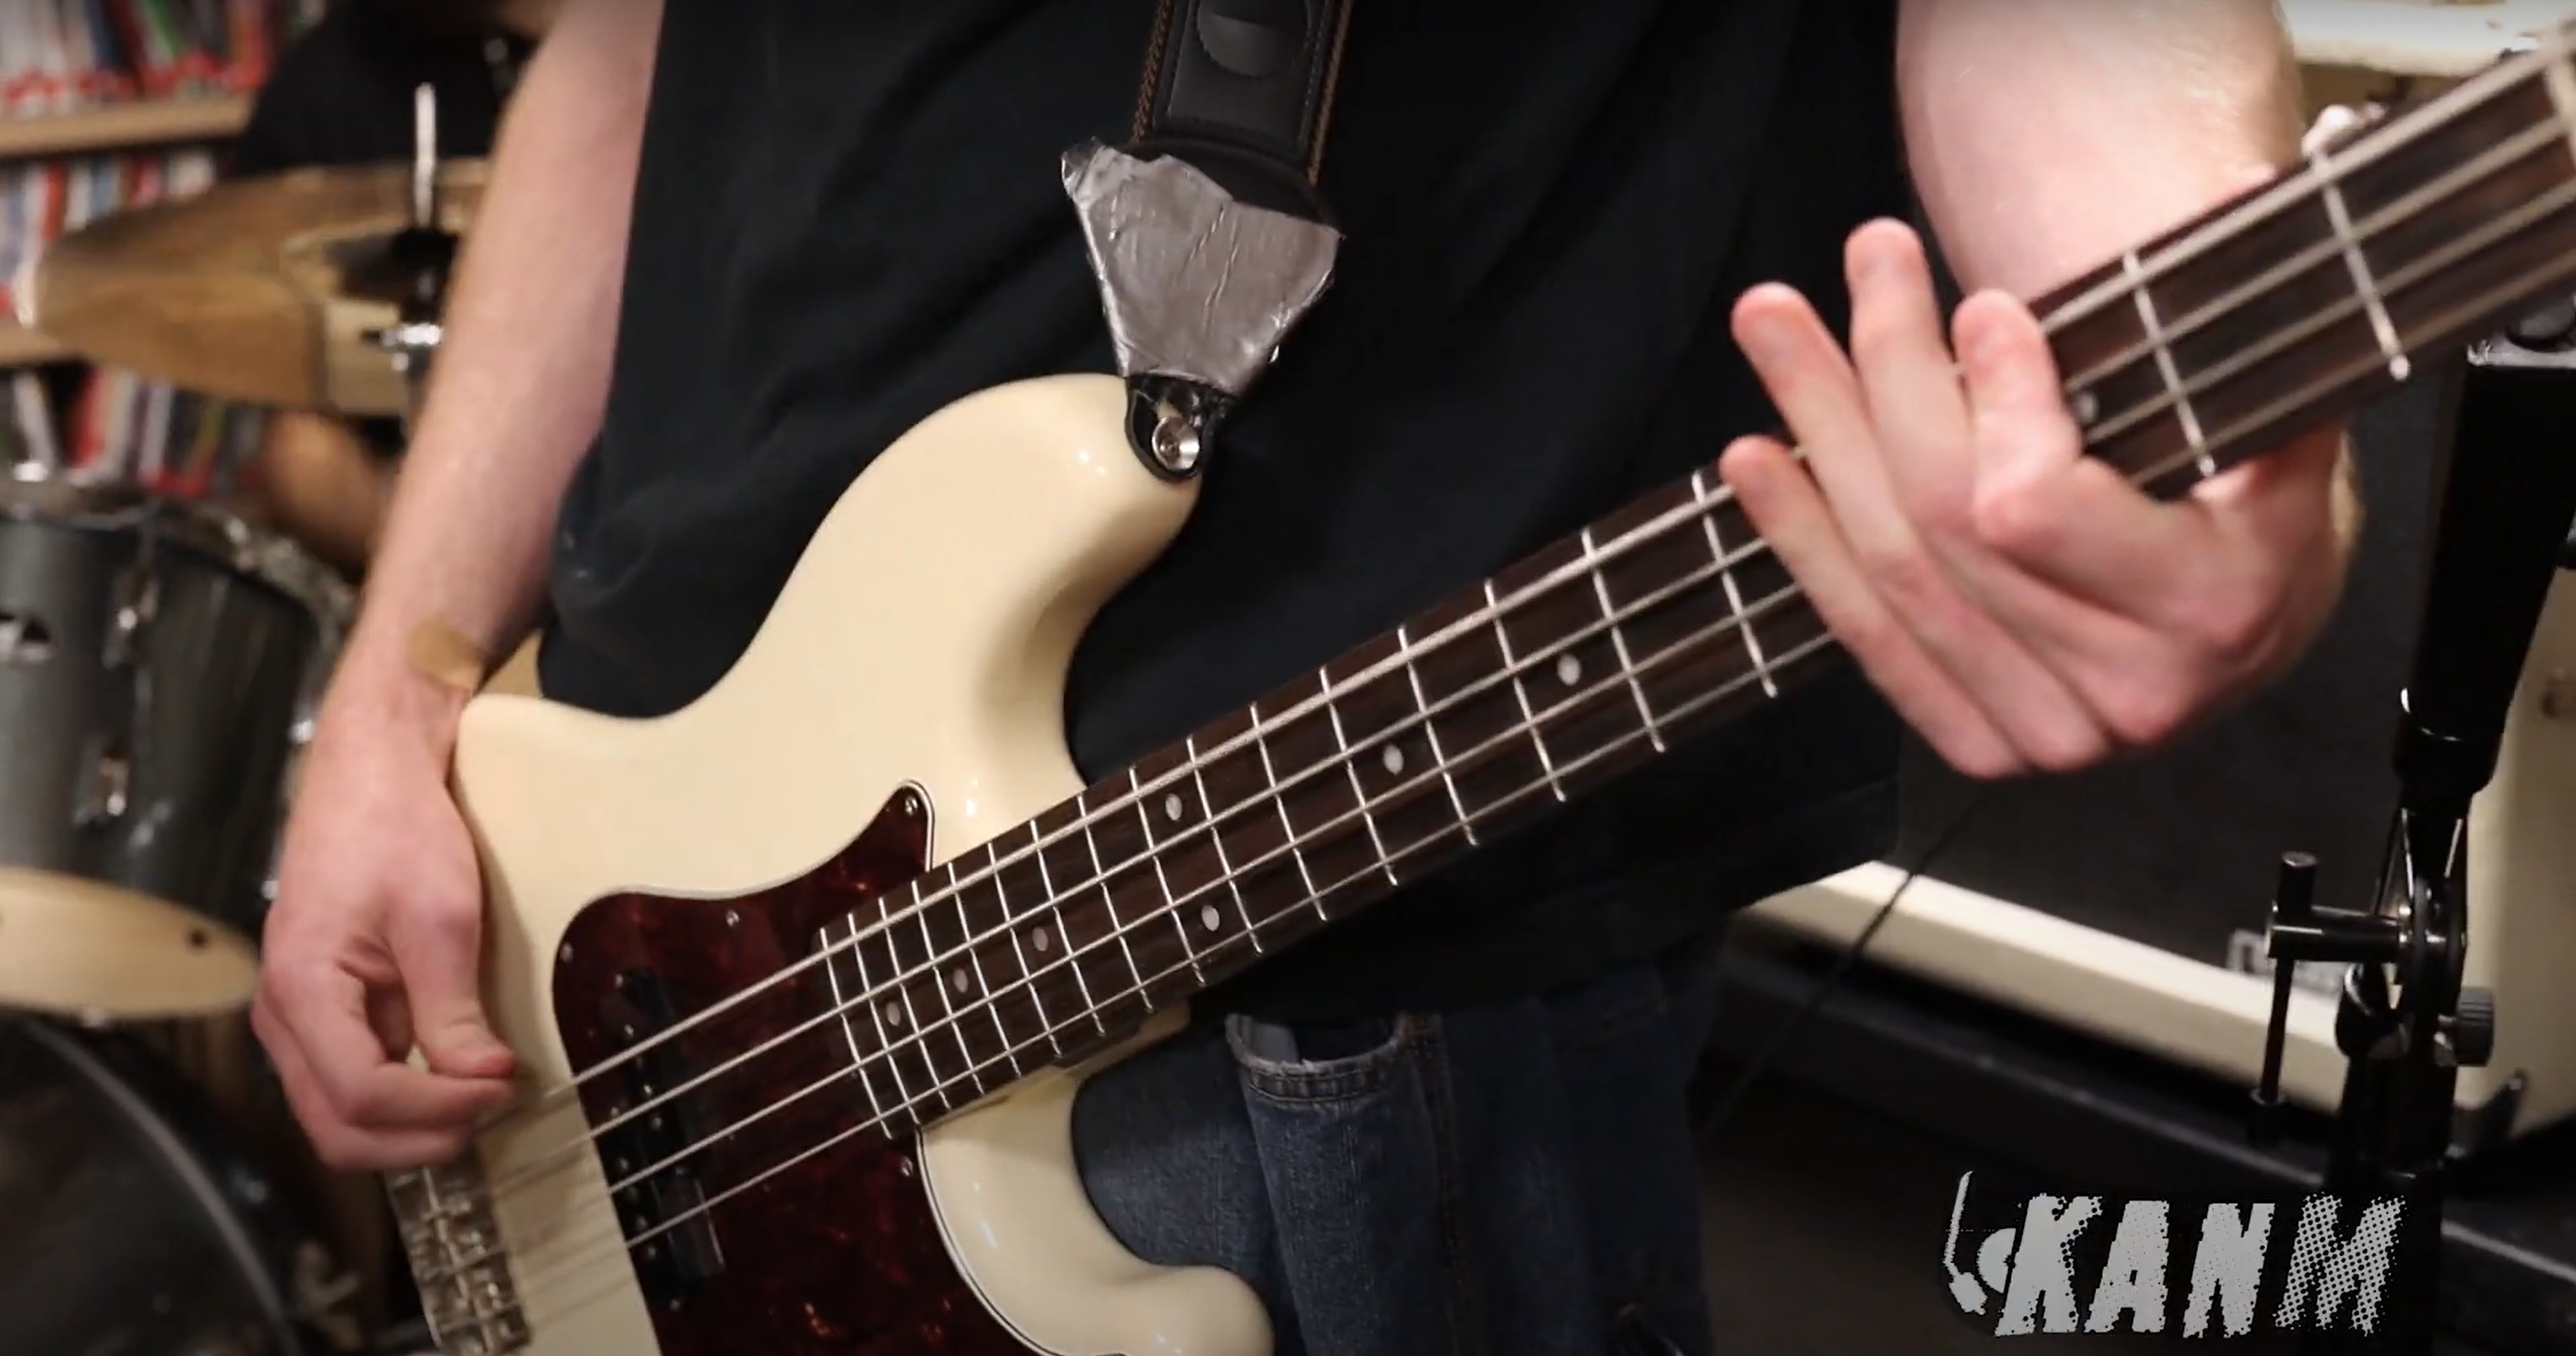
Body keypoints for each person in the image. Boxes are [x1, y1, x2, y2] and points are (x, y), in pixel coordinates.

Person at [251, 1, 2358, 1352]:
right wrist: (400, 688)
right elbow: (633, 52)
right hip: (607, 896)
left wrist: (2201, 397)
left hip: (1277, 1031)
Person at [227, 0, 552, 575]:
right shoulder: (321, 85)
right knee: (299, 453)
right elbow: (288, 363)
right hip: (403, 450)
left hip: (612, 436)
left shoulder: (647, 55)